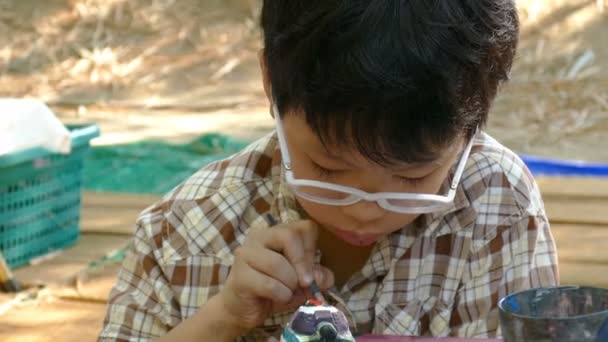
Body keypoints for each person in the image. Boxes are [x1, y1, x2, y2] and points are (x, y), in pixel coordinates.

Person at [99, 1, 559, 341]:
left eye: (412, 179)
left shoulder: (499, 208)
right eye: (328, 168)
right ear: (270, 84)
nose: (363, 212)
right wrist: (223, 316)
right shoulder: (184, 233)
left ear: (472, 124)